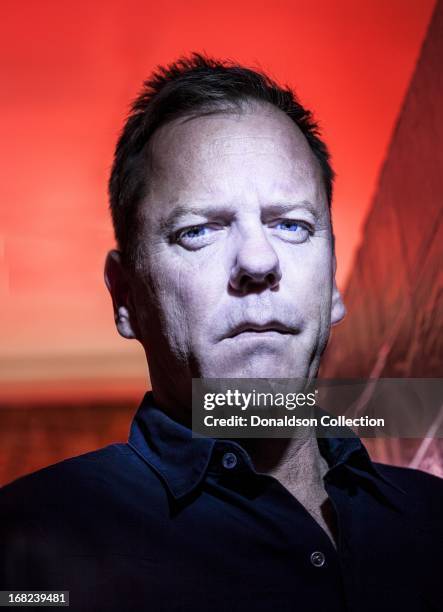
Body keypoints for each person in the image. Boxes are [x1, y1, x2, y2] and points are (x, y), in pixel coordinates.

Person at [1, 53, 441, 612]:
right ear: (125, 297)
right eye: (198, 231)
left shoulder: (434, 521)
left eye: (291, 225)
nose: (258, 260)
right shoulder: (26, 554)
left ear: (332, 284)